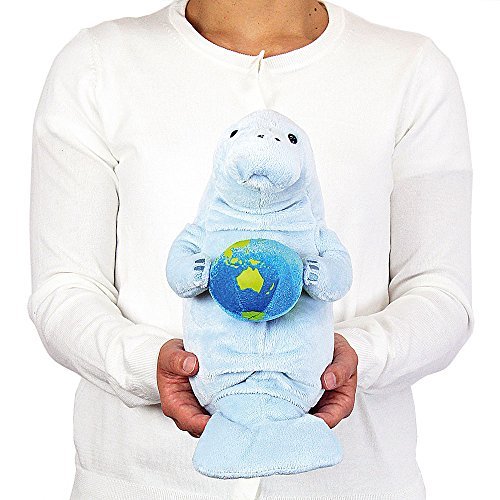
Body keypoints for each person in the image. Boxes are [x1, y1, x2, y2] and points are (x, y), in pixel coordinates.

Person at [27, 0, 473, 499]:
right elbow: (65, 289)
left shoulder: (409, 69)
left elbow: (440, 293)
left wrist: (352, 357)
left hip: (353, 483)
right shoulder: (98, 64)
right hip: (143, 481)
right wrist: (149, 365)